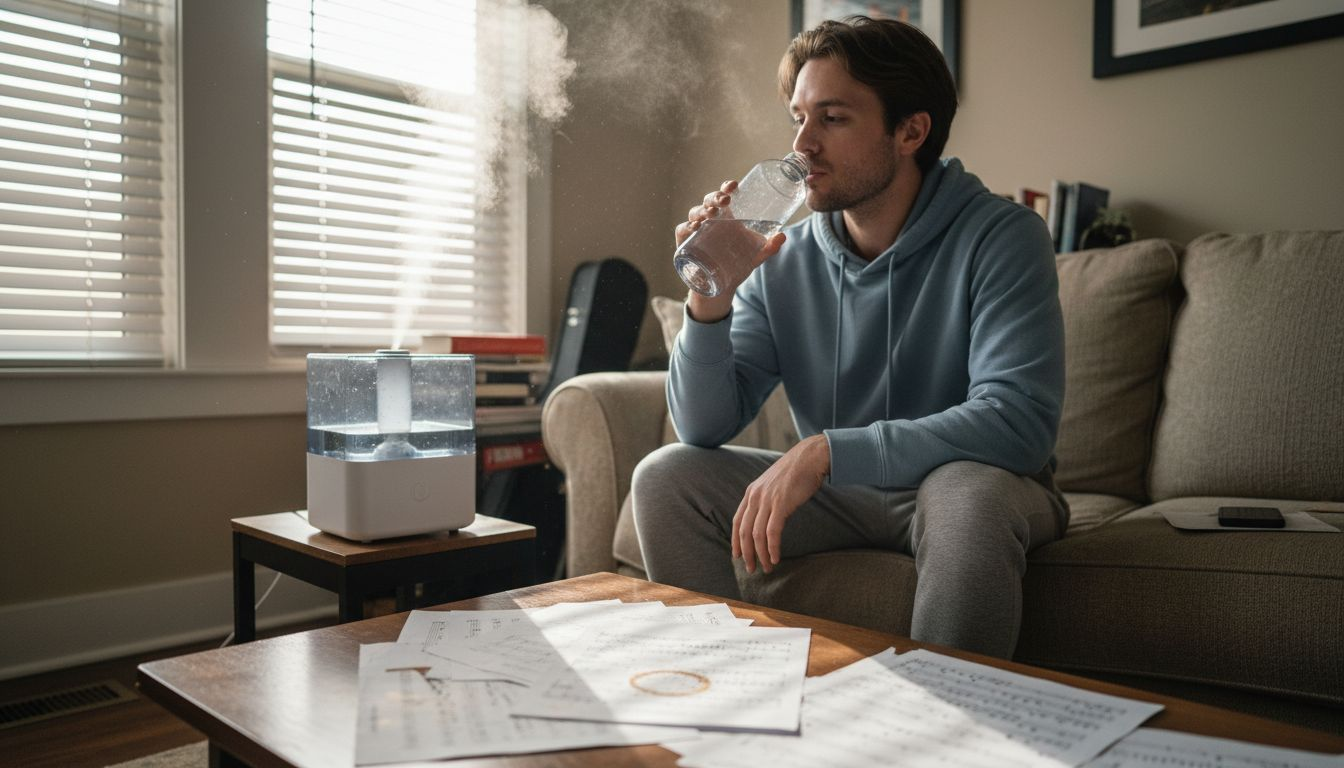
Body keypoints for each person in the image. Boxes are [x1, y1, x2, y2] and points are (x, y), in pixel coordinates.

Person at [630, 16, 1068, 659]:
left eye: (832, 118)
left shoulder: (1002, 236)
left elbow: (1016, 423)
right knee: (667, 477)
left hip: (971, 486)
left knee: (963, 494)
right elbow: (701, 426)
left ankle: (946, 714)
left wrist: (827, 452)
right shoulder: (779, 256)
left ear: (910, 132)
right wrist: (710, 293)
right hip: (844, 498)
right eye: (797, 118)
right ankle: (726, 688)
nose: (801, 145)